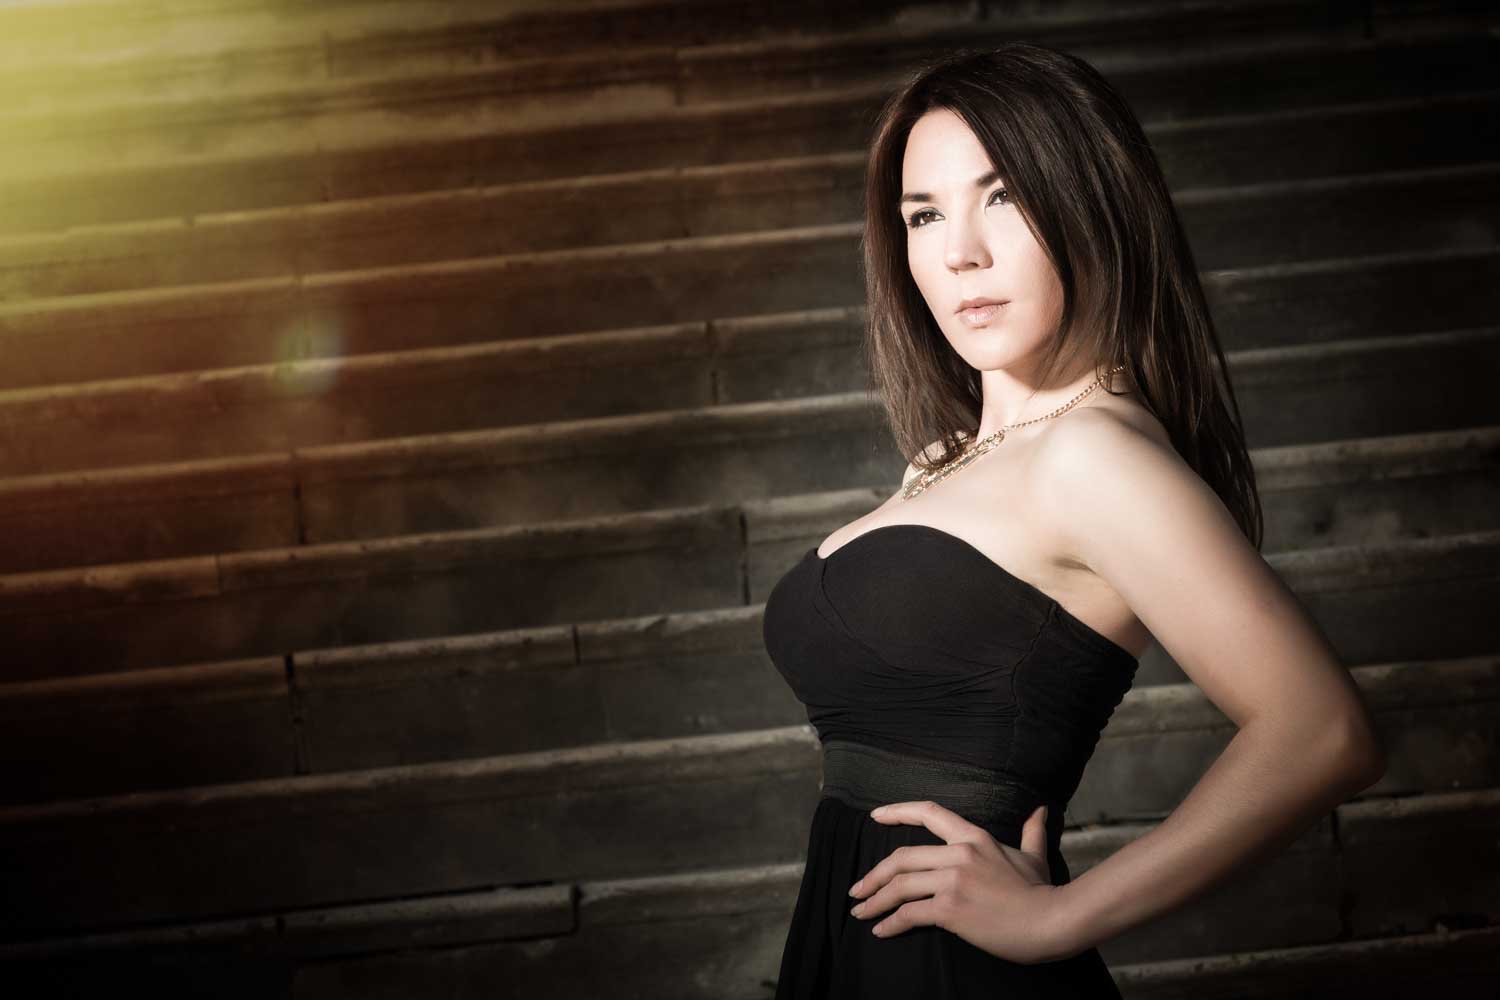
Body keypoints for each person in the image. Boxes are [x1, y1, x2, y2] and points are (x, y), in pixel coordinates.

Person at [761, 41, 1386, 997]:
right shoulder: (950, 457)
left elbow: (1322, 731)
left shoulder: (1093, 456)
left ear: (1091, 205)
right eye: (923, 214)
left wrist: (1060, 916)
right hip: (862, 954)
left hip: (957, 971)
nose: (959, 249)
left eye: (1003, 197)